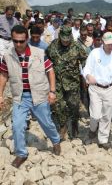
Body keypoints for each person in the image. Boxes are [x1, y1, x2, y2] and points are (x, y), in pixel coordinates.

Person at [0, 25, 61, 168]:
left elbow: (50, 71)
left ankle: (56, 140)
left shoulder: (39, 53)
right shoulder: (7, 55)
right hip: (20, 96)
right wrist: (0, 95)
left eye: (21, 41)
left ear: (27, 39)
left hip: (39, 95)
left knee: (46, 122)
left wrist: (52, 91)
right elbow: (3, 75)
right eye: (15, 41)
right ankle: (21, 153)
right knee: (17, 125)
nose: (18, 44)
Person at [83, 32, 112, 150]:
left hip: (110, 88)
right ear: (102, 42)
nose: (110, 46)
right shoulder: (94, 53)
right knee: (95, 115)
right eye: (108, 44)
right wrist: (88, 76)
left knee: (106, 116)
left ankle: (103, 139)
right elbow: (86, 68)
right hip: (95, 88)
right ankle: (92, 130)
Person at [46, 26, 87, 140]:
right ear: (60, 36)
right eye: (63, 39)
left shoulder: (77, 47)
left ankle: (74, 124)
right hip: (57, 83)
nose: (65, 41)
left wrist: (85, 74)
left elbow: (85, 60)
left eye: (67, 39)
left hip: (72, 83)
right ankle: (63, 126)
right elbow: (47, 58)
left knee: (74, 106)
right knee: (58, 106)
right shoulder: (53, 46)